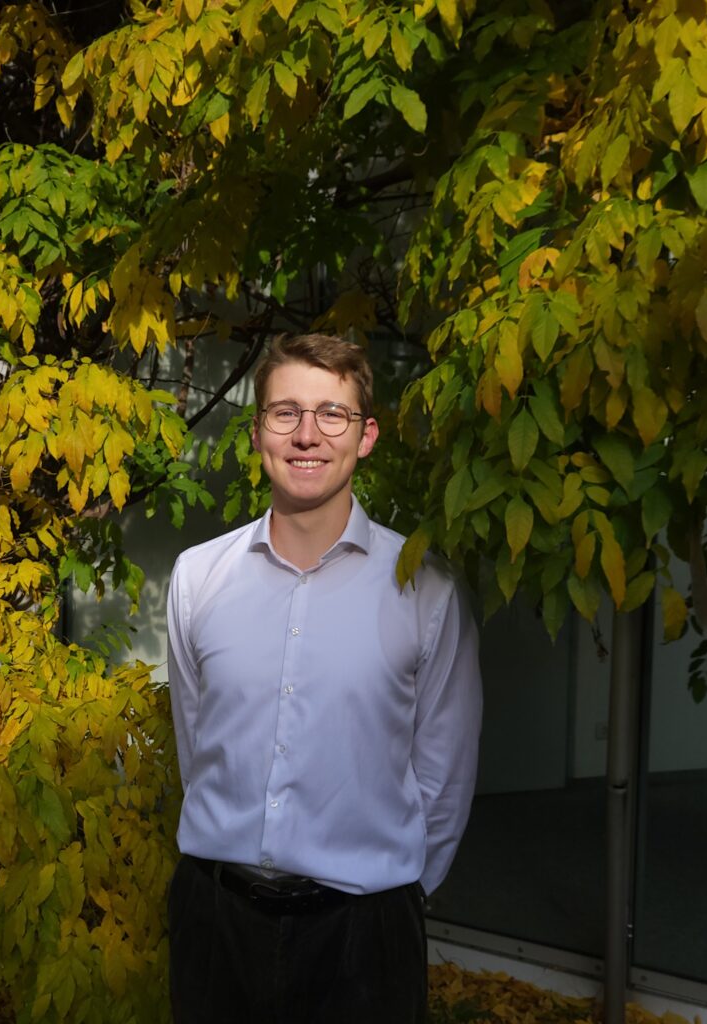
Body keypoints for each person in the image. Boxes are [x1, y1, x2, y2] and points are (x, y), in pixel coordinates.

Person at [165, 333, 483, 1024]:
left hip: (364, 940)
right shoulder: (197, 578)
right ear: (257, 433)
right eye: (285, 412)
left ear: (366, 436)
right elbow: (199, 751)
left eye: (331, 415)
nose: (307, 434)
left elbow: (444, 781)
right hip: (215, 926)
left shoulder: (426, 588)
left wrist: (389, 902)